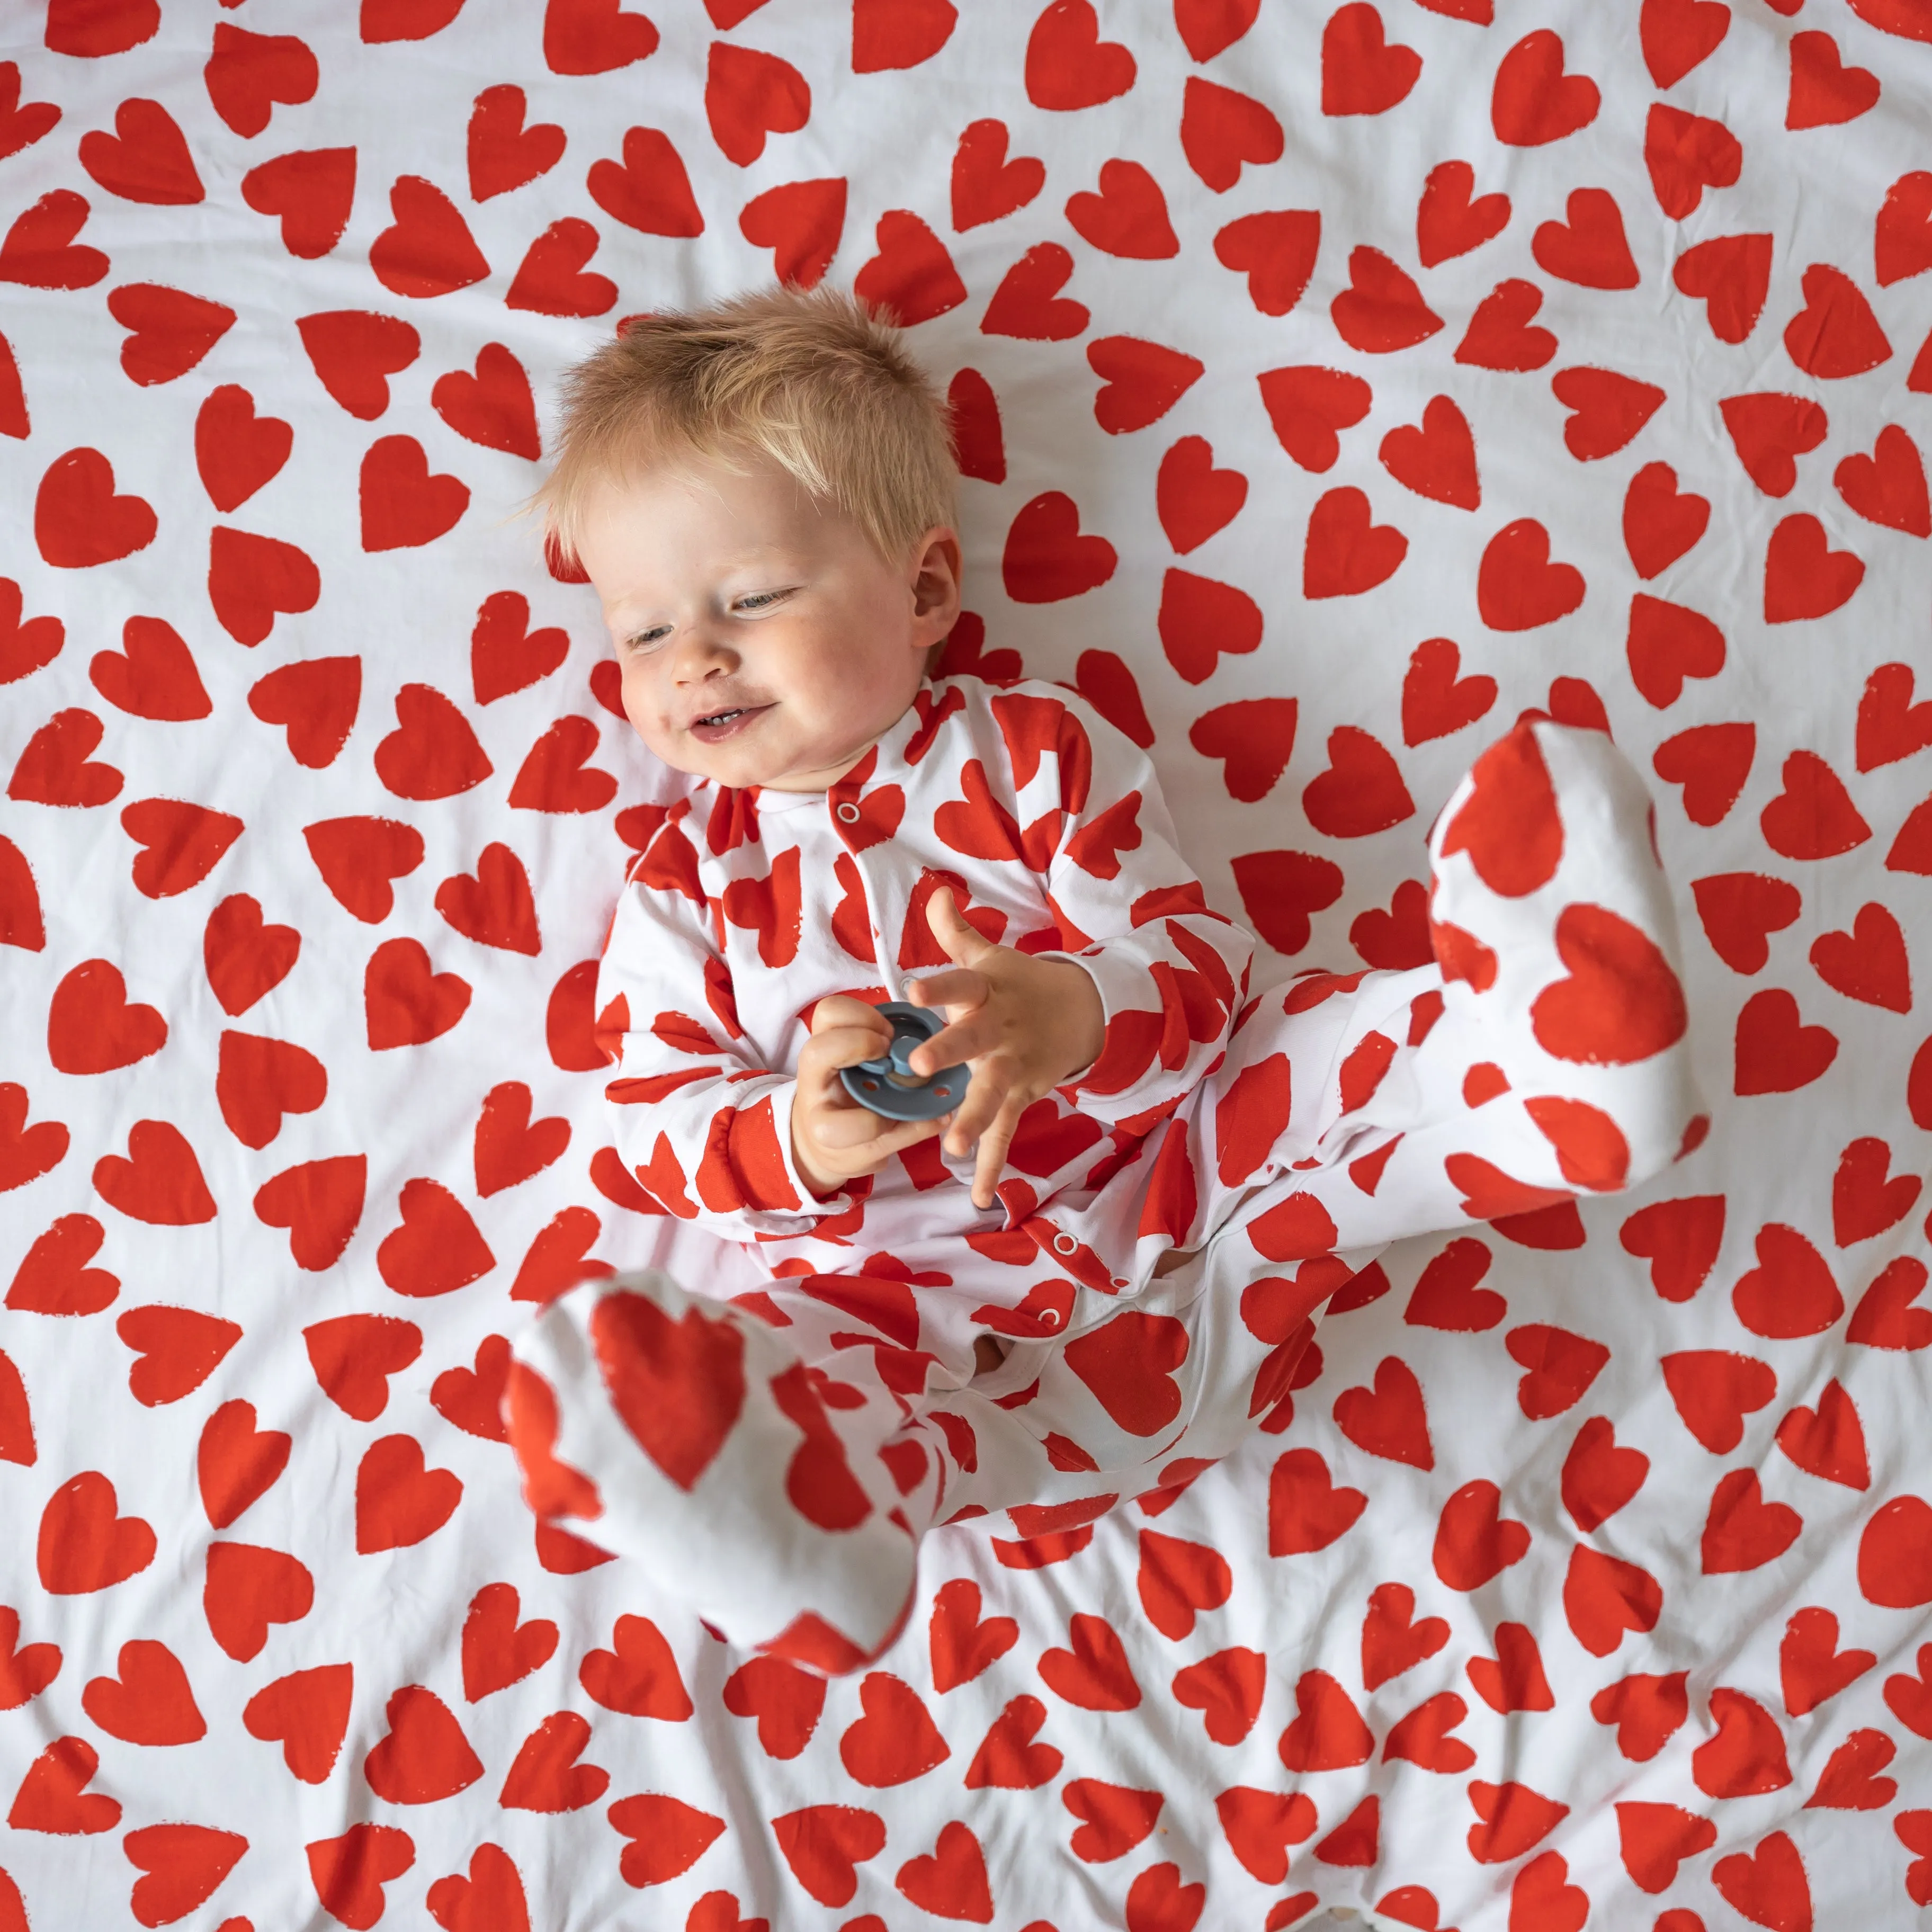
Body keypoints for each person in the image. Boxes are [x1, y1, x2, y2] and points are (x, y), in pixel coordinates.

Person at [503, 284, 1706, 1675]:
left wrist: (1068, 1012)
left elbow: (1195, 963)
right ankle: (807, 1506)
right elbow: (643, 1121)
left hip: (1191, 1184)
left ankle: (1539, 1077)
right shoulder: (681, 889)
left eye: (751, 599)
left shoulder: (1028, 757)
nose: (693, 655)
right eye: (643, 633)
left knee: (1311, 1054)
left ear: (927, 592)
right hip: (944, 1325)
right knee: (825, 1357)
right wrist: (792, 1135)